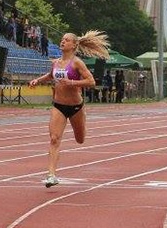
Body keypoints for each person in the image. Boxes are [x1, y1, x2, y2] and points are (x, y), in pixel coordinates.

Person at [28, 30, 110, 188]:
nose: (62, 42)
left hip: (75, 107)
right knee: (54, 139)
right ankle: (51, 175)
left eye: (66, 40)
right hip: (58, 105)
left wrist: (72, 83)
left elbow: (91, 81)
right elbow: (51, 75)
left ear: (74, 45)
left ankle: (83, 121)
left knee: (80, 139)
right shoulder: (56, 63)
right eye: (62, 39)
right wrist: (37, 80)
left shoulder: (77, 63)